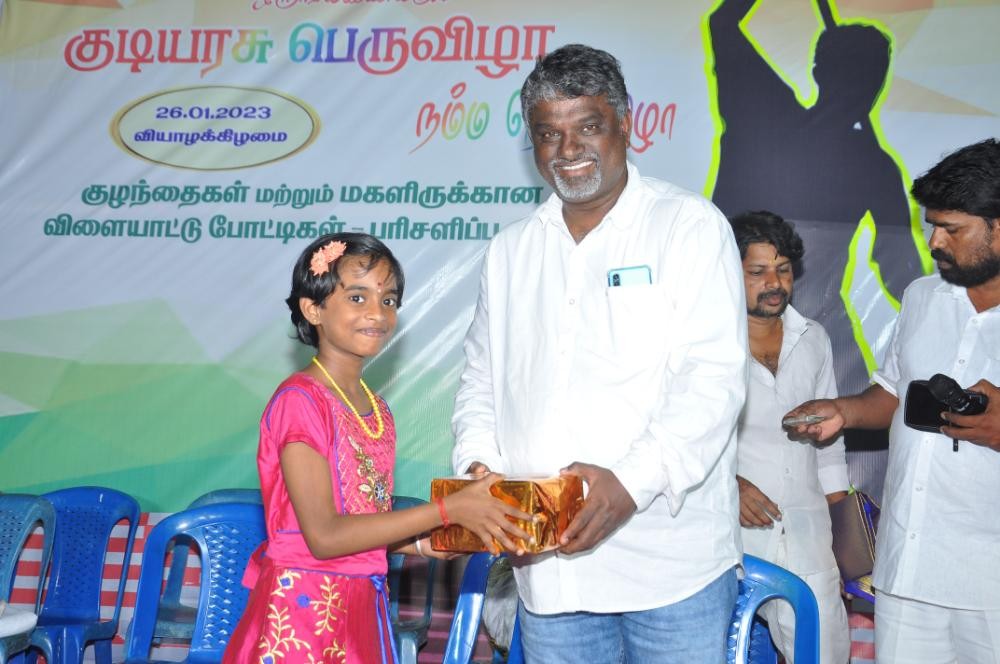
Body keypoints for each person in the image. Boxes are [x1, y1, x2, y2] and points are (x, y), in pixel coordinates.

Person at [451, 44, 748, 663]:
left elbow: (712, 380)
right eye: (548, 134)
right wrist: (480, 470)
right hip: (549, 572)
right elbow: (482, 380)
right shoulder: (511, 251)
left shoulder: (688, 226)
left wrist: (630, 484)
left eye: (587, 127)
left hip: (669, 565)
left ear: (625, 124)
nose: (568, 150)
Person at [223, 233, 532, 664]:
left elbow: (361, 522)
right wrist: (447, 511)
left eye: (388, 301)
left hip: (362, 608)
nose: (377, 313)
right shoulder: (301, 401)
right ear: (313, 309)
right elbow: (324, 537)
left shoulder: (377, 410)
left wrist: (424, 545)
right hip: (301, 617)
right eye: (357, 297)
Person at [785, 138, 1000, 663]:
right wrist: (844, 411)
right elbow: (892, 392)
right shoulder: (924, 296)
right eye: (932, 226)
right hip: (909, 566)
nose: (935, 241)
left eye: (952, 229)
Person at [729, 210, 851, 663]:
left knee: (823, 653)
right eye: (757, 272)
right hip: (725, 536)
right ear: (728, 271)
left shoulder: (813, 339)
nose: (774, 283)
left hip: (806, 534)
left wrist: (844, 538)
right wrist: (727, 485)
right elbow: (681, 435)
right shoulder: (705, 341)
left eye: (782, 270)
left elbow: (829, 448)